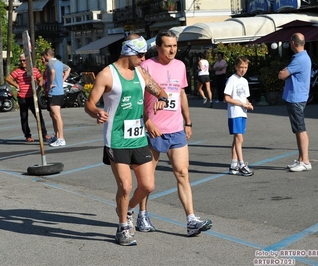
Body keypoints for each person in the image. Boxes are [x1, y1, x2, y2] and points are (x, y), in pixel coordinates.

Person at [85, 34, 168, 246]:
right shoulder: (107, 74)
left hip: (139, 137)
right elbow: (90, 104)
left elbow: (158, 89)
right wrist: (96, 112)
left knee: (148, 186)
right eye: (140, 54)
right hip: (116, 138)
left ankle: (126, 208)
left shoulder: (141, 72)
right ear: (129, 52)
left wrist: (162, 98)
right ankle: (122, 227)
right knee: (125, 185)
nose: (144, 58)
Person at [137, 30, 213, 237]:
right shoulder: (146, 67)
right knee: (147, 180)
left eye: (175, 46)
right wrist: (147, 120)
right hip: (153, 130)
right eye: (168, 46)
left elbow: (181, 94)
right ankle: (142, 214)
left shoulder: (180, 66)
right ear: (159, 47)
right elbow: (137, 98)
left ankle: (191, 220)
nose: (172, 50)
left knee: (182, 173)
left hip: (176, 128)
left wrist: (188, 122)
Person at [278, 33, 312, 172]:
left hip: (296, 98)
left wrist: (285, 72)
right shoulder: (302, 57)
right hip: (297, 97)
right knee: (298, 130)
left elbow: (282, 75)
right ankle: (300, 159)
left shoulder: (299, 59)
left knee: (300, 129)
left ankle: (305, 161)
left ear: (293, 43)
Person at [5, 54, 50, 142]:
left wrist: (39, 88)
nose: (22, 62)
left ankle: (44, 134)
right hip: (22, 97)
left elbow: (40, 78)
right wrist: (16, 85)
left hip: (32, 96)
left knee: (38, 115)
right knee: (24, 116)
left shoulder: (34, 70)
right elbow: (8, 78)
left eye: (24, 60)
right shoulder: (18, 71)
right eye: (21, 61)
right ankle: (27, 135)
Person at [224, 56, 254, 176]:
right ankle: (241, 164)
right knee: (239, 138)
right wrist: (241, 104)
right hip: (235, 112)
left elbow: (244, 97)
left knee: (237, 139)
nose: (243, 70)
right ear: (236, 67)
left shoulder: (244, 81)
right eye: (241, 67)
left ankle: (233, 164)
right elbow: (226, 97)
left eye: (245, 67)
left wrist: (248, 103)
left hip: (242, 112)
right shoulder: (232, 79)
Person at [44, 48, 71, 147]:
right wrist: (63, 79)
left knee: (56, 115)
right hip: (58, 91)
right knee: (53, 115)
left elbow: (52, 72)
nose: (44, 58)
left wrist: (51, 83)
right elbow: (68, 69)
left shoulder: (51, 63)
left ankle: (61, 138)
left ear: (47, 55)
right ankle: (57, 135)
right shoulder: (59, 63)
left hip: (55, 92)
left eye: (44, 56)